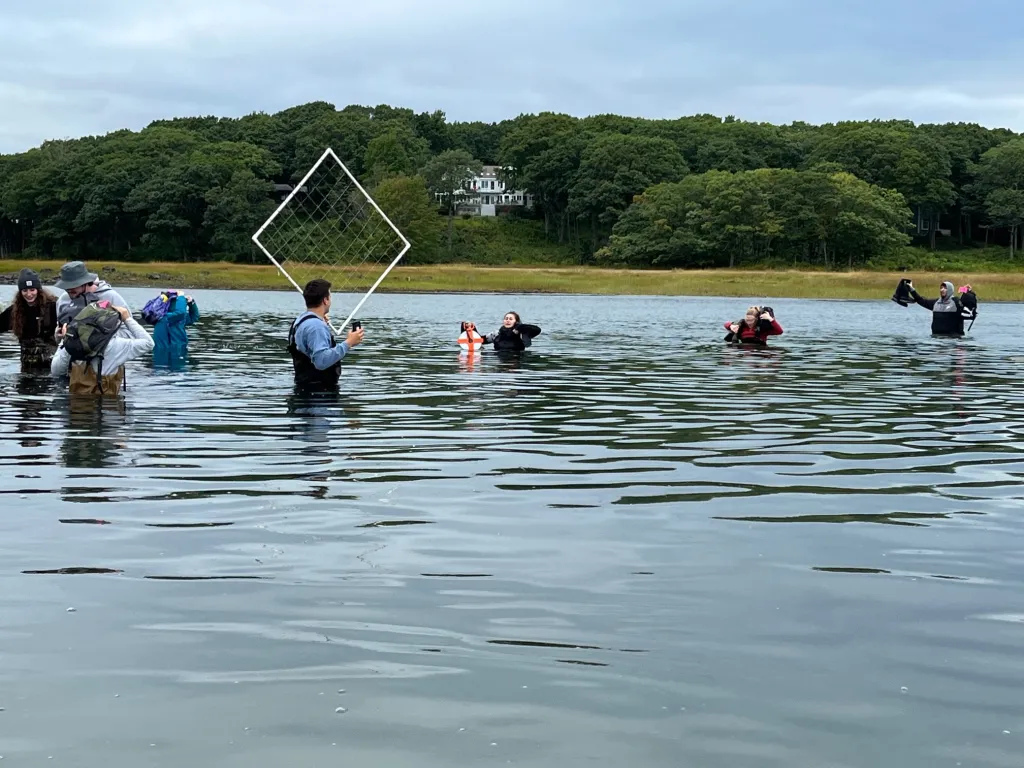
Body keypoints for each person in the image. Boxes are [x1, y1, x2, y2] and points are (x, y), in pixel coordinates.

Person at [50, 303, 154, 395]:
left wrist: (64, 340)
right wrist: (127, 319)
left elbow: (56, 371)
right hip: (109, 408)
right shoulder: (116, 345)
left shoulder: (71, 344)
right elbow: (149, 343)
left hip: (77, 408)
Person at [288, 279, 364, 392]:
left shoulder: (300, 321)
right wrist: (348, 343)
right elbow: (321, 361)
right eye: (330, 296)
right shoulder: (316, 327)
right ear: (325, 300)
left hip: (304, 388)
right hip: (318, 394)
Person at [0, 268, 59, 370]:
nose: (29, 294)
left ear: (38, 290)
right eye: (25, 290)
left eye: (32, 290)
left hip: (51, 365)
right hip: (26, 365)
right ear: (20, 292)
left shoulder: (53, 307)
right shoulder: (14, 311)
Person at [54, 260, 129, 329]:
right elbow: (59, 329)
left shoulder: (110, 296)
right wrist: (58, 336)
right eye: (66, 286)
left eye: (73, 285)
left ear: (85, 282)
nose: (69, 289)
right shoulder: (63, 299)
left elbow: (130, 328)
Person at [151, 292, 200, 368]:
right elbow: (180, 313)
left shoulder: (172, 318)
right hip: (172, 351)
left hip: (170, 352)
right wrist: (181, 298)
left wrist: (191, 303)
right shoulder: (166, 317)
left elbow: (194, 317)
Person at [464, 312, 542, 352]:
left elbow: (537, 330)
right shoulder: (496, 333)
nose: (508, 320)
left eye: (511, 319)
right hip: (499, 357)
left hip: (517, 359)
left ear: (516, 321)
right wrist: (471, 329)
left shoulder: (523, 334)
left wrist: (520, 327)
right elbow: (478, 340)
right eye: (506, 318)